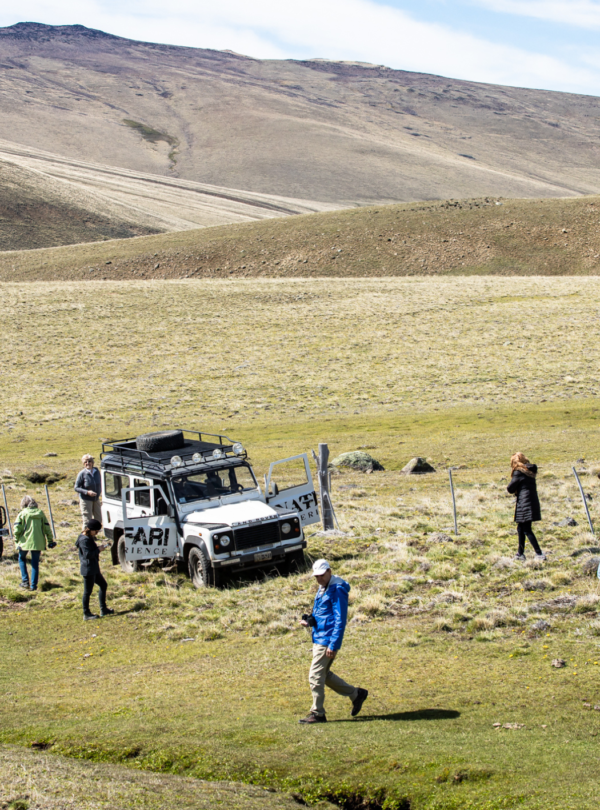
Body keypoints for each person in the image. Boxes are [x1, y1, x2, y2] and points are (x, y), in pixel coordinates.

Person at [298, 559, 368, 724]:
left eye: (322, 575)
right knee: (324, 675)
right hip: (320, 637)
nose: (319, 579)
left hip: (326, 640)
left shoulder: (337, 590)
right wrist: (311, 621)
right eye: (316, 576)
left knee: (315, 675)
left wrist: (333, 644)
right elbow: (323, 613)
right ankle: (356, 694)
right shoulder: (324, 587)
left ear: (329, 571)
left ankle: (318, 713)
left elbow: (340, 620)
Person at [507, 452, 545, 561]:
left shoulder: (518, 472)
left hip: (524, 502)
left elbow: (510, 488)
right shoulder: (530, 471)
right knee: (521, 528)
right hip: (531, 500)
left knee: (527, 529)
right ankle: (520, 553)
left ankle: (539, 554)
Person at [14, 495, 55, 591]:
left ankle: (25, 581)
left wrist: (16, 540)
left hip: (24, 541)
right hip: (38, 542)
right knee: (35, 563)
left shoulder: (22, 513)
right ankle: (33, 586)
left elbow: (17, 529)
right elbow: (47, 528)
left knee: (21, 559)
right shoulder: (40, 513)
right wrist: (50, 541)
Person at [75, 519, 114, 621]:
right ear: (90, 529)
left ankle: (103, 609)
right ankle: (86, 613)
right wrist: (98, 550)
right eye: (96, 531)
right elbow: (87, 554)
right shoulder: (84, 540)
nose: (96, 533)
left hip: (93, 568)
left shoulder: (87, 537)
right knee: (87, 592)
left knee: (103, 585)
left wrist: (98, 549)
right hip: (88, 569)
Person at [74, 454, 102, 531]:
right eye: (85, 462)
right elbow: (76, 487)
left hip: (96, 499)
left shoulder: (96, 471)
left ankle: (94, 534)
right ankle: (86, 536)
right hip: (86, 500)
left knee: (98, 519)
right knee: (87, 520)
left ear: (92, 462)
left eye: (89, 461)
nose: (87, 463)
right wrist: (87, 492)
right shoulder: (82, 473)